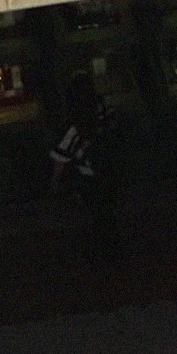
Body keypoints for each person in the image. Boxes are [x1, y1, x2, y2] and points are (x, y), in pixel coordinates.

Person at [47, 77, 121, 258]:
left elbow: (61, 158)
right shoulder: (104, 112)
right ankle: (111, 247)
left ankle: (103, 250)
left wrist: (54, 183)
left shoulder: (74, 125)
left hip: (89, 176)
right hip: (109, 169)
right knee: (107, 211)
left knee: (96, 213)